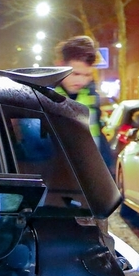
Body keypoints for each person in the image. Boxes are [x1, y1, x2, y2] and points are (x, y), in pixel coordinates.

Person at [54, 35, 114, 175]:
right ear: (60, 65)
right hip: (56, 177)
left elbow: (97, 137)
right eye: (75, 74)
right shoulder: (44, 96)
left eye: (87, 75)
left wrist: (108, 173)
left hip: (88, 176)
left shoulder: (91, 96)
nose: (81, 81)